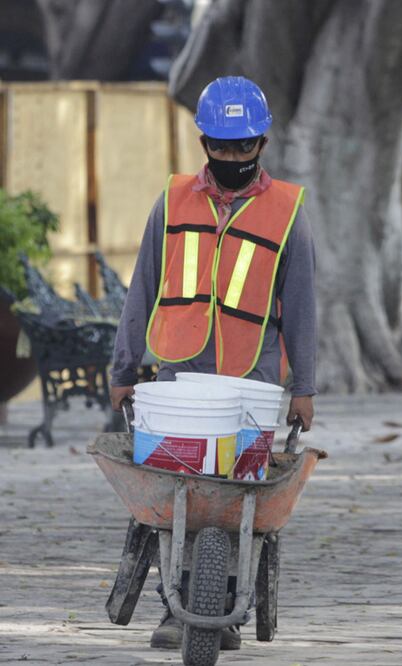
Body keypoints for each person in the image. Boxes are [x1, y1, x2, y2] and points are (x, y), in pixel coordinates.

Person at [109, 76, 316, 651]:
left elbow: (301, 307)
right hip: (179, 377)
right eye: (221, 146)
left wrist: (304, 386)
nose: (231, 157)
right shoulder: (172, 202)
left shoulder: (287, 212)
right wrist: (123, 370)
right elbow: (142, 289)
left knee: (237, 495)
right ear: (204, 143)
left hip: (253, 382)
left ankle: (225, 607)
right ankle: (176, 605)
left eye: (243, 146)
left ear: (262, 143)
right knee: (179, 491)